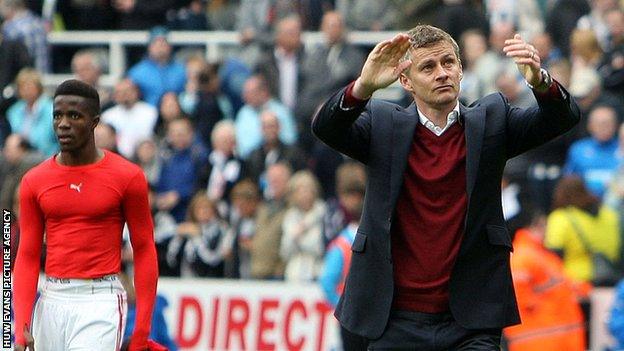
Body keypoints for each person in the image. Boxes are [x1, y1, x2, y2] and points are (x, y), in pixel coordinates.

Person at [312, 25, 580, 349]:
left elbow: (562, 119)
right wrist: (363, 87)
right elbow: (326, 128)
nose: (442, 73)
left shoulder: (491, 119)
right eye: (428, 67)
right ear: (406, 81)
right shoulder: (384, 124)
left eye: (448, 63)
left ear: (460, 69)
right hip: (395, 319)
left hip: (471, 322)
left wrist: (540, 81)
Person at [13, 79, 160, 351]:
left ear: (94, 122)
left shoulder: (127, 176)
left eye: (74, 115)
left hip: (101, 300)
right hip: (50, 298)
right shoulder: (34, 180)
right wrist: (21, 326)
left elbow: (144, 248)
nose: (63, 123)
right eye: (57, 115)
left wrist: (141, 330)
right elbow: (27, 254)